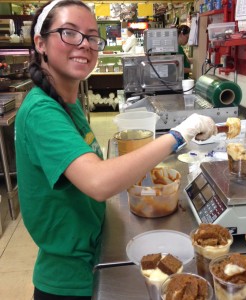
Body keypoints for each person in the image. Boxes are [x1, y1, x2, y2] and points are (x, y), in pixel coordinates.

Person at [15, 1, 217, 299]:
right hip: (68, 280)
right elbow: (98, 182)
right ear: (40, 43)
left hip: (90, 256)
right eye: (70, 33)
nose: (84, 45)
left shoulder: (66, 104)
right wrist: (179, 134)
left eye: (92, 37)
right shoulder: (41, 111)